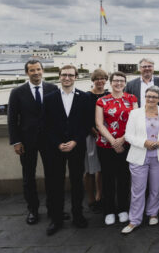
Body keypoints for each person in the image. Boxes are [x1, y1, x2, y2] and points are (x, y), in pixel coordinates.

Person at [8, 59, 58, 225]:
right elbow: (12, 119)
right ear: (27, 73)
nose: (36, 73)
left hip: (49, 141)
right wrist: (16, 141)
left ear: (42, 70)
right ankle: (33, 210)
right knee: (28, 177)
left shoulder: (53, 88)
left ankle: (53, 209)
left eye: (38, 69)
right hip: (27, 142)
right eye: (32, 70)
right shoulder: (17, 92)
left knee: (52, 176)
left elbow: (57, 115)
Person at [42, 65, 91, 235]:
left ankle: (78, 215)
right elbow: (46, 125)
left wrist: (75, 141)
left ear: (76, 77)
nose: (67, 78)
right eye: (64, 75)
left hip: (76, 147)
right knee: (56, 184)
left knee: (77, 182)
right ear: (59, 77)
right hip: (55, 148)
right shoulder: (49, 98)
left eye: (71, 75)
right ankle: (56, 219)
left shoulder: (84, 98)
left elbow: (86, 124)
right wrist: (57, 143)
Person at [120, 86, 159, 234]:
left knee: (155, 188)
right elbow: (128, 135)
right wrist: (144, 143)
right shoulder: (135, 113)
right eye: (148, 96)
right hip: (139, 156)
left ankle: (153, 213)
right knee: (137, 190)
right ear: (144, 97)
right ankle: (134, 220)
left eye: (154, 97)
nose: (151, 99)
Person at [95, 72, 138, 226]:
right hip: (106, 145)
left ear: (125, 83)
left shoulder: (132, 99)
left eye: (121, 81)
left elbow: (136, 122)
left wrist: (122, 139)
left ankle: (122, 209)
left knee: (124, 178)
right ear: (110, 82)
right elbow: (99, 124)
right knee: (107, 178)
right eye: (116, 80)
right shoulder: (102, 100)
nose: (118, 83)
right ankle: (109, 211)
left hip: (126, 144)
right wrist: (113, 141)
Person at [84, 69, 109, 214]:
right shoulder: (86, 96)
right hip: (91, 136)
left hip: (106, 136)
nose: (100, 81)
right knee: (89, 169)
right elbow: (83, 116)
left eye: (103, 78)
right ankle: (91, 198)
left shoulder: (108, 95)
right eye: (97, 78)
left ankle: (100, 195)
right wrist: (93, 131)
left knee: (100, 168)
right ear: (93, 80)